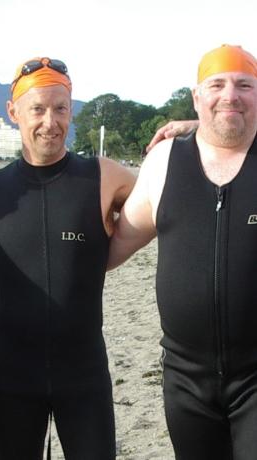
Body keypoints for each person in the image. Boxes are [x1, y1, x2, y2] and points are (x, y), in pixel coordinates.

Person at [0, 57, 196, 459]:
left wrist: (199, 129)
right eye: (37, 109)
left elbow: (176, 199)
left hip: (83, 374)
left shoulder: (104, 176)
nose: (50, 121)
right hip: (11, 375)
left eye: (60, 108)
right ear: (13, 111)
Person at [108, 44, 257, 459]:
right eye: (217, 85)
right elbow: (117, 244)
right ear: (197, 96)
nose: (230, 95)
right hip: (185, 379)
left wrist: (210, 120)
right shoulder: (164, 163)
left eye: (244, 85)